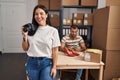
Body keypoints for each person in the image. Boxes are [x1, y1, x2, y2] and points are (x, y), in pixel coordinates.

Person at [22, 4, 61, 80]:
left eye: (41, 13)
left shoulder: (53, 31)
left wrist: (54, 67)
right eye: (36, 14)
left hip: (46, 63)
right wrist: (24, 36)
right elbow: (25, 48)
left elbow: (55, 51)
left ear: (46, 15)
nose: (39, 16)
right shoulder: (30, 30)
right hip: (32, 62)